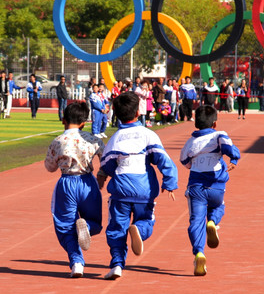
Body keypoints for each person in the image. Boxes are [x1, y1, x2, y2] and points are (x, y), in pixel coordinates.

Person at [98, 92, 178, 280]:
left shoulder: (115, 138)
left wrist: (105, 176)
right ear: (137, 112)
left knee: (117, 228)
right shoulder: (148, 135)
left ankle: (117, 264)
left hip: (121, 191)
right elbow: (163, 160)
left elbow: (107, 165)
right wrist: (170, 182)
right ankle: (139, 230)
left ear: (117, 114)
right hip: (144, 190)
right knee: (146, 220)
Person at [44, 102, 105, 278]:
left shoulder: (57, 141)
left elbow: (50, 167)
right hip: (88, 183)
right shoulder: (93, 139)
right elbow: (106, 159)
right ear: (84, 122)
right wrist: (101, 174)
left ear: (63, 119)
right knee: (95, 221)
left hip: (67, 183)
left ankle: (76, 262)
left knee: (65, 225)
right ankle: (87, 226)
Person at [180, 105, 240, 276]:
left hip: (196, 188)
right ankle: (213, 221)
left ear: (196, 124)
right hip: (216, 188)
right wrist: (234, 158)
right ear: (214, 123)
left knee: (196, 222)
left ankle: (199, 252)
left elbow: (185, 162)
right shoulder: (219, 135)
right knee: (219, 206)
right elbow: (228, 147)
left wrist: (196, 164)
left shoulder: (190, 142)